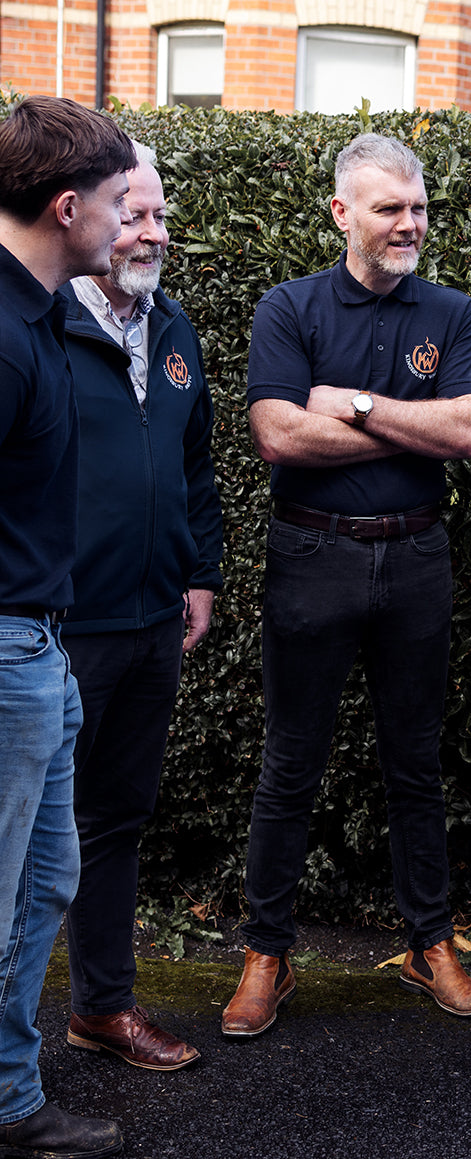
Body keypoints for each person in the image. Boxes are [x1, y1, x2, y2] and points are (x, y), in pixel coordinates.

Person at [223, 132, 471, 1037]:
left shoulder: (451, 313)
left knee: (416, 763)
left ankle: (430, 943)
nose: (411, 223)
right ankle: (268, 952)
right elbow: (279, 437)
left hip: (416, 557)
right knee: (290, 763)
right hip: (314, 554)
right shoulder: (288, 308)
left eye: (419, 207)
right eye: (391, 208)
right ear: (344, 213)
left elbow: (468, 435)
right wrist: (413, 427)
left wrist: (360, 405)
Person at [56, 142, 223, 1073]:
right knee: (26, 835)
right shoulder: (37, 324)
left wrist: (199, 574)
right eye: (134, 214)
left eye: (159, 215)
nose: (152, 233)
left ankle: (101, 1008)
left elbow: (195, 467)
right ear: (81, 214)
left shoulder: (175, 330)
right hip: (56, 628)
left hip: (153, 621)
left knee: (115, 819)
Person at [0, 94, 135, 1159]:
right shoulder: (1, 332)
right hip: (3, 653)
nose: (129, 217)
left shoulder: (43, 313)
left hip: (40, 647)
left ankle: (8, 1094)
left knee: (45, 881)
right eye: (116, 199)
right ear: (65, 205)